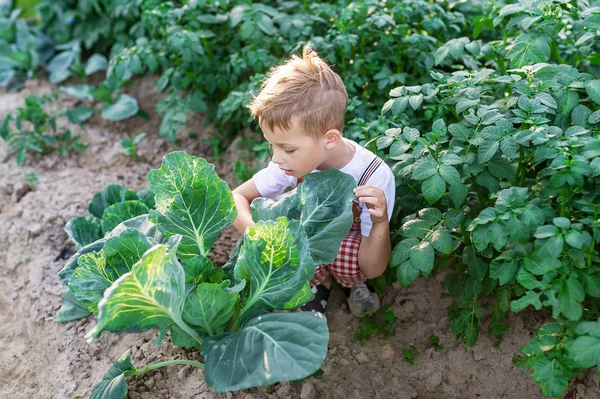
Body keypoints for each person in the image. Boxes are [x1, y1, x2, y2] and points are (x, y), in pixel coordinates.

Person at [231, 43, 396, 317]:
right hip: (309, 243)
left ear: (329, 139)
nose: (277, 158)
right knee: (293, 244)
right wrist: (257, 235)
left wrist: (380, 222)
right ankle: (317, 283)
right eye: (272, 146)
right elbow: (237, 197)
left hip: (352, 249)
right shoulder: (286, 165)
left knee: (351, 262)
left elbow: (375, 266)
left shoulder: (373, 176)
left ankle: (353, 284)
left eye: (287, 148)